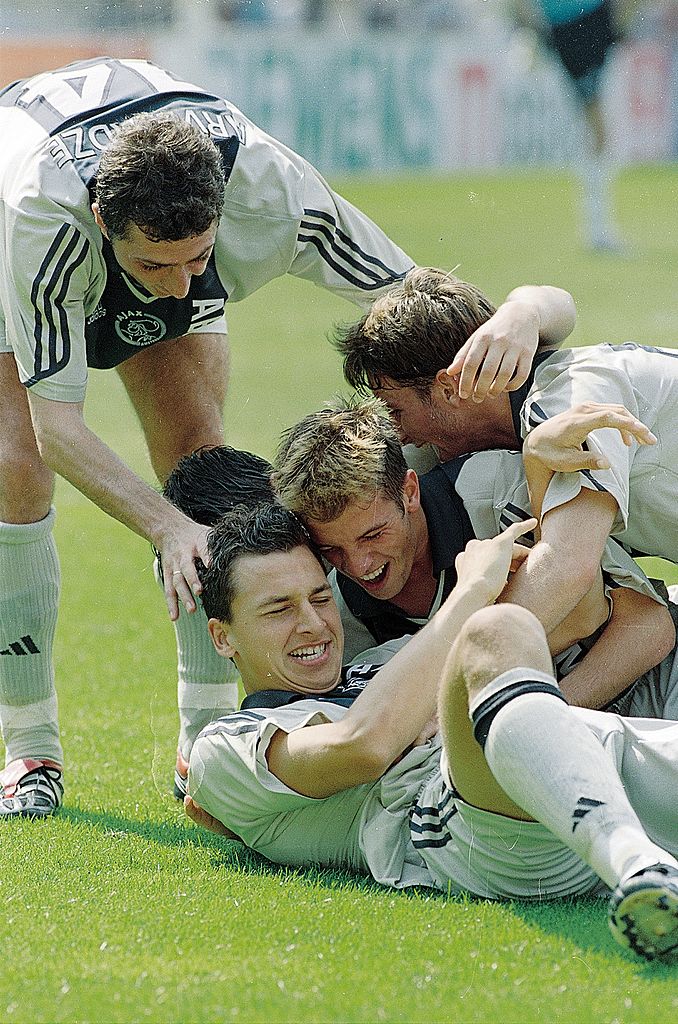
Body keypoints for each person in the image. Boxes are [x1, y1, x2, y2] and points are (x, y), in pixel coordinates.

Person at [0, 57, 576, 818]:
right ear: (107, 224)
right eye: (155, 265)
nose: (178, 286)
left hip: (153, 187)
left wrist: (525, 323)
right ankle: (30, 746)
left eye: (198, 259)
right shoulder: (42, 218)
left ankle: (206, 741)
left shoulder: (275, 193)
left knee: (199, 459)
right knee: (15, 468)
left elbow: (422, 309)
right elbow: (57, 429)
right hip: (15, 228)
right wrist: (166, 529)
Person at [184, 501, 678, 964]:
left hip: (596, 757)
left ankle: (647, 867)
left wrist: (539, 487)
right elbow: (362, 746)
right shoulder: (227, 747)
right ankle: (636, 865)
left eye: (319, 597)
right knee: (495, 631)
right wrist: (472, 591)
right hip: (473, 830)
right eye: (279, 609)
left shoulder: (379, 663)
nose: (313, 624)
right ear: (222, 636)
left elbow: (584, 609)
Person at [335, 265, 678, 645]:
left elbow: (565, 568)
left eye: (396, 411)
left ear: (449, 389)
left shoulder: (571, 401)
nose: (397, 432)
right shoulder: (512, 402)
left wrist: (437, 666)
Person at [273, 395, 675, 713]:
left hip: (652, 683)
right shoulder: (338, 612)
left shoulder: (498, 492)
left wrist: (550, 720)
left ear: (409, 492)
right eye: (332, 549)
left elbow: (648, 626)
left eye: (374, 535)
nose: (359, 566)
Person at [516, 0, 626, 250]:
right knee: (597, 130)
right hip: (578, 24)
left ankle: (597, 228)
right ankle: (597, 229)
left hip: (575, 23)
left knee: (596, 129)